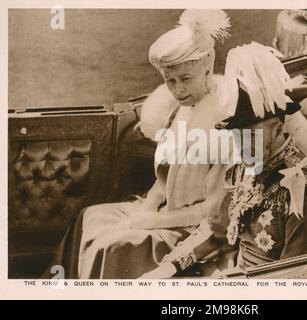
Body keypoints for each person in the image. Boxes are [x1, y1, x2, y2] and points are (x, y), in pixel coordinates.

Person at [45, 9, 234, 279]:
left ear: (207, 69)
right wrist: (146, 208)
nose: (178, 90)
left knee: (111, 245)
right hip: (164, 213)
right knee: (88, 218)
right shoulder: (178, 110)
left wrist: (155, 221)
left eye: (186, 79)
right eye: (170, 81)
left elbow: (215, 210)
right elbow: (164, 179)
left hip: (196, 231)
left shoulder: (225, 123)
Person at [141, 42, 307, 278]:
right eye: (237, 137)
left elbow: (294, 275)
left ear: (277, 130)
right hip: (231, 270)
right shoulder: (240, 169)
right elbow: (215, 229)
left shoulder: (304, 188)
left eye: (252, 138)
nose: (244, 148)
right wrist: (170, 266)